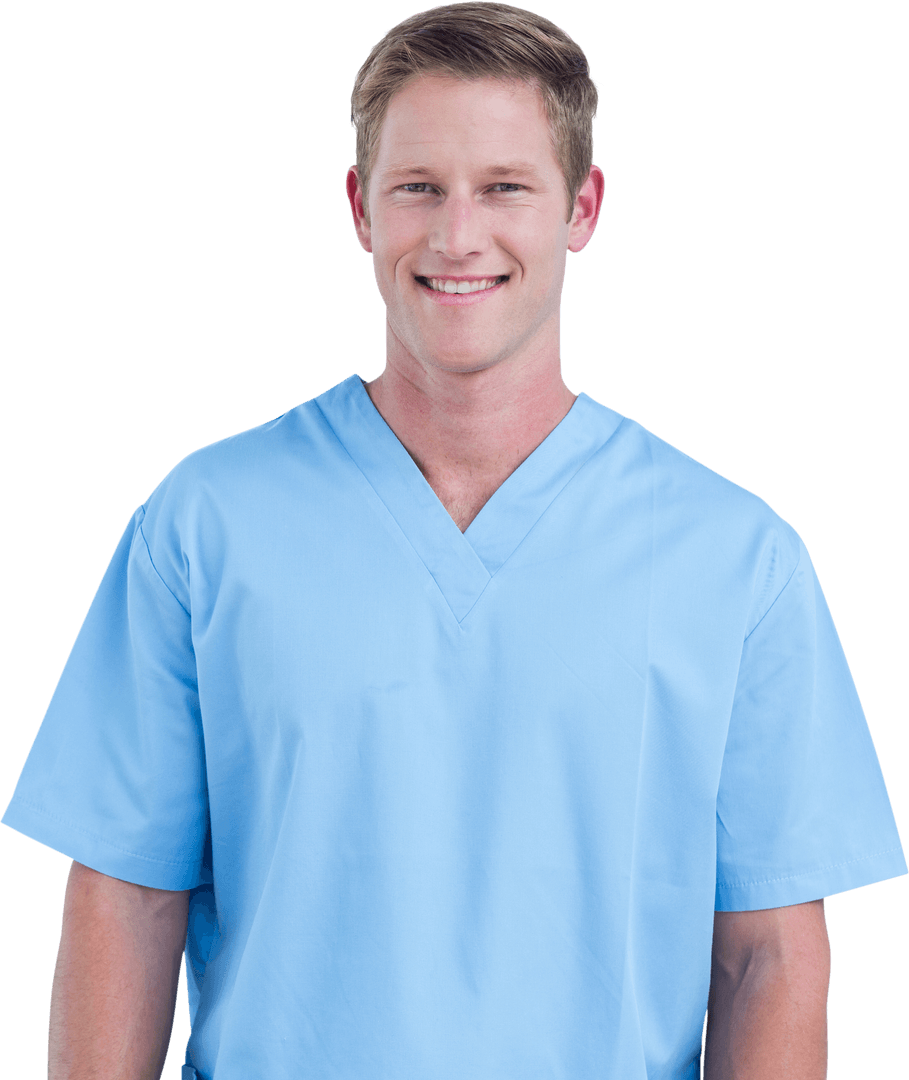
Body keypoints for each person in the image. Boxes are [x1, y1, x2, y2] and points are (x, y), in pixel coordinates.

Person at [2, 3, 905, 1078]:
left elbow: (768, 959)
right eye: (418, 188)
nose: (458, 235)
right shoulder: (204, 527)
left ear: (583, 207)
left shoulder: (736, 559)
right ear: (359, 210)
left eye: (505, 187)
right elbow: (125, 899)